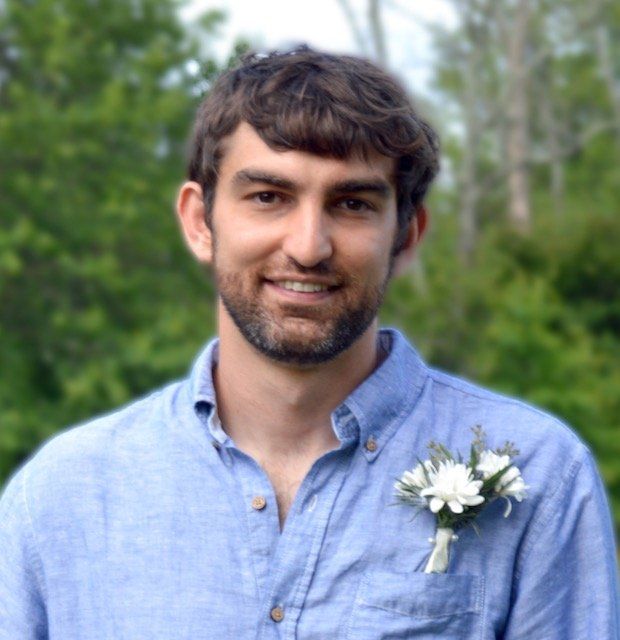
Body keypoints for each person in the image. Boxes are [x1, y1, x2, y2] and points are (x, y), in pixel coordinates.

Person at [0, 46, 618, 640]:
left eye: (352, 204)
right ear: (199, 222)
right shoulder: (62, 495)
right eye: (268, 197)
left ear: (405, 236)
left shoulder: (540, 474)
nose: (308, 246)